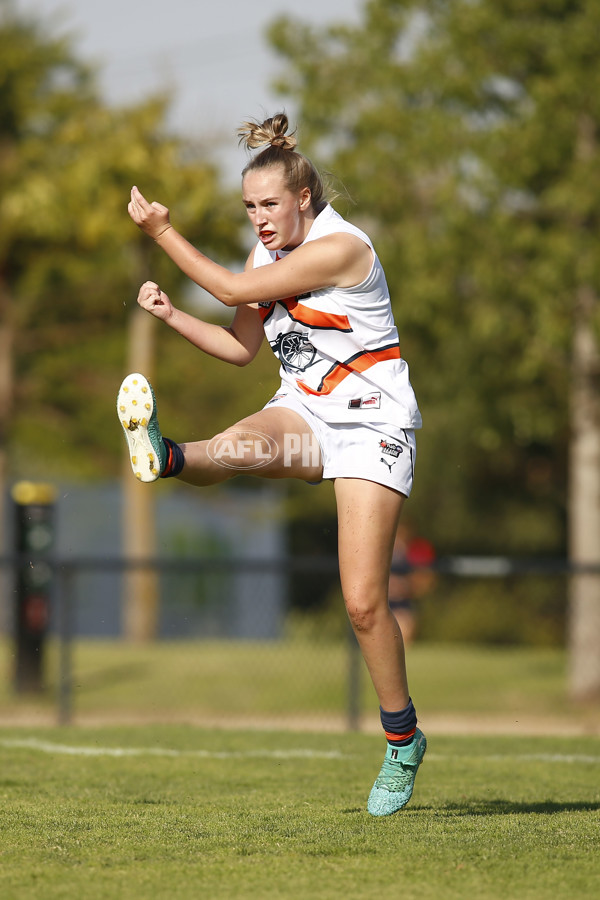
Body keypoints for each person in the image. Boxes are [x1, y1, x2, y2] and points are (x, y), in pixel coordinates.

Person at [119, 113, 426, 817]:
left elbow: (228, 289)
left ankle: (403, 740)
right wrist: (171, 315)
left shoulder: (342, 247)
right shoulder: (266, 260)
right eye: (250, 207)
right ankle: (165, 455)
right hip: (307, 412)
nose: (259, 219)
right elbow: (238, 347)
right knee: (232, 449)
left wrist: (163, 233)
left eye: (270, 205)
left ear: (304, 199)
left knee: (362, 602)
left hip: (374, 426)